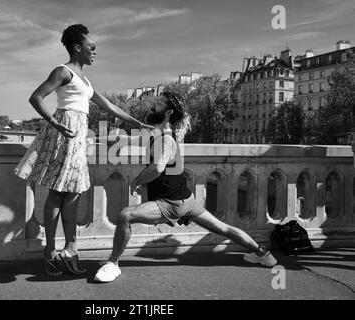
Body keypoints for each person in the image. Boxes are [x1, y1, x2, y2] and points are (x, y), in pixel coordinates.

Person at [94, 91, 278, 283]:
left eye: (159, 103)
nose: (153, 105)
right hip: (186, 199)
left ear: (169, 112)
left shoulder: (166, 139)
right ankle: (263, 254)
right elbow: (135, 141)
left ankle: (113, 263)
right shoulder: (157, 134)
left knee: (125, 215)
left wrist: (136, 181)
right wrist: (114, 139)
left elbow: (157, 168)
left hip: (171, 202)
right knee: (223, 228)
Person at [14, 24, 152, 276]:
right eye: (92, 47)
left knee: (73, 193)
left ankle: (70, 249)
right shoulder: (63, 71)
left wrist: (135, 121)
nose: (95, 51)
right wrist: (54, 122)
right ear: (78, 48)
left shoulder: (85, 80)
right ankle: (51, 253)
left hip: (78, 137)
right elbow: (36, 97)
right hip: (65, 131)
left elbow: (108, 105)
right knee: (58, 193)